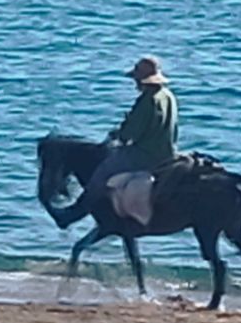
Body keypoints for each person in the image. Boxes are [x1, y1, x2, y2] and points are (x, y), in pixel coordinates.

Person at [49, 55, 179, 229]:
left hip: (145, 154)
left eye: (136, 79)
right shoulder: (167, 95)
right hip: (167, 152)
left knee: (101, 173)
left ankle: (72, 214)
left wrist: (119, 134)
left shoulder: (148, 100)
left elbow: (131, 132)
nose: (135, 84)